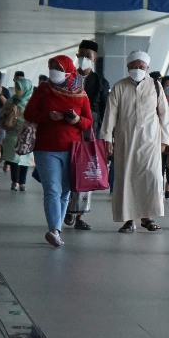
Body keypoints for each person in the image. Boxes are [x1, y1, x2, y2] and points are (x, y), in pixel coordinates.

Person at [23, 56, 94, 247]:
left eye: (59, 68)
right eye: (52, 67)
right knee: (52, 189)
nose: (54, 70)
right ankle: (54, 230)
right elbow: (28, 114)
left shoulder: (80, 93)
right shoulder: (43, 90)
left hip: (73, 150)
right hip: (46, 148)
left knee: (65, 191)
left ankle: (57, 231)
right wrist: (48, 116)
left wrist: (76, 120)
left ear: (69, 71)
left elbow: (88, 121)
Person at [103, 51, 169, 232]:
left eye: (141, 66)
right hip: (125, 140)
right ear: (128, 67)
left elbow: (164, 115)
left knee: (151, 178)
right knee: (127, 179)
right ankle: (129, 220)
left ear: (147, 67)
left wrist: (164, 140)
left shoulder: (155, 86)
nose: (137, 69)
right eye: (134, 66)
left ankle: (147, 217)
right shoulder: (119, 87)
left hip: (150, 141)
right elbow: (110, 114)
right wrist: (107, 138)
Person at [67, 39, 110, 231]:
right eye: (81, 55)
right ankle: (67, 208)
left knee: (86, 173)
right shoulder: (68, 78)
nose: (83, 58)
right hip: (68, 133)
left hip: (90, 134)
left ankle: (79, 216)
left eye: (88, 56)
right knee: (67, 171)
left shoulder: (101, 82)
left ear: (95, 59)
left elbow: (105, 111)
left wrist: (106, 138)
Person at [0, 74, 34, 191]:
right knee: (14, 158)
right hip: (13, 132)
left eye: (20, 88)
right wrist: (10, 110)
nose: (18, 90)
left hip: (27, 134)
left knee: (24, 158)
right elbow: (3, 112)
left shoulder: (32, 102)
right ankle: (14, 181)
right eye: (17, 87)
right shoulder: (12, 99)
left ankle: (22, 182)